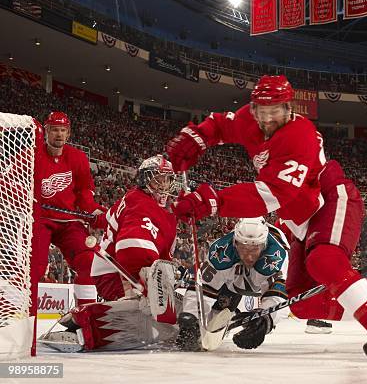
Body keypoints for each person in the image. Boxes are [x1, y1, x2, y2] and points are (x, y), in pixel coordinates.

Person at [165, 75, 367, 361]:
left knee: (324, 261)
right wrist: (198, 137)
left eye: (276, 111)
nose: (268, 119)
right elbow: (221, 124)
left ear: (289, 108)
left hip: (331, 199)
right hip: (300, 220)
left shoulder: (299, 135)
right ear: (253, 109)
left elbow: (273, 194)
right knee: (302, 303)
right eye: (262, 111)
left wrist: (212, 202)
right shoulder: (249, 119)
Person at [40, 155, 180, 352]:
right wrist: (147, 285)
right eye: (159, 178)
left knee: (150, 312)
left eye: (167, 179)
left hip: (125, 270)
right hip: (116, 271)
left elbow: (161, 260)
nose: (164, 184)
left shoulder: (157, 211)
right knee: (141, 313)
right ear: (145, 179)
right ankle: (83, 326)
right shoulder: (140, 202)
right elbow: (132, 250)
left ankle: (83, 319)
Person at [177, 216, 290, 352]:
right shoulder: (221, 251)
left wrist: (266, 319)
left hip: (259, 277)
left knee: (254, 317)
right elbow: (204, 288)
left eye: (254, 249)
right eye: (244, 248)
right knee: (214, 320)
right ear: (235, 243)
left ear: (264, 245)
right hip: (233, 281)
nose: (249, 256)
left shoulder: (276, 256)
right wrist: (191, 317)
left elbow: (279, 293)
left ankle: (230, 312)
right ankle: (225, 312)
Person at [32, 111, 106, 308]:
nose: (58, 134)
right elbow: (11, 180)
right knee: (34, 267)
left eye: (62, 130)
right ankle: (25, 320)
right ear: (45, 131)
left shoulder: (78, 157)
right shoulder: (32, 154)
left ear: (68, 134)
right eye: (54, 129)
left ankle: (86, 314)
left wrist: (92, 211)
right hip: (40, 219)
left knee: (89, 260)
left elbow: (84, 191)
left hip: (69, 221)